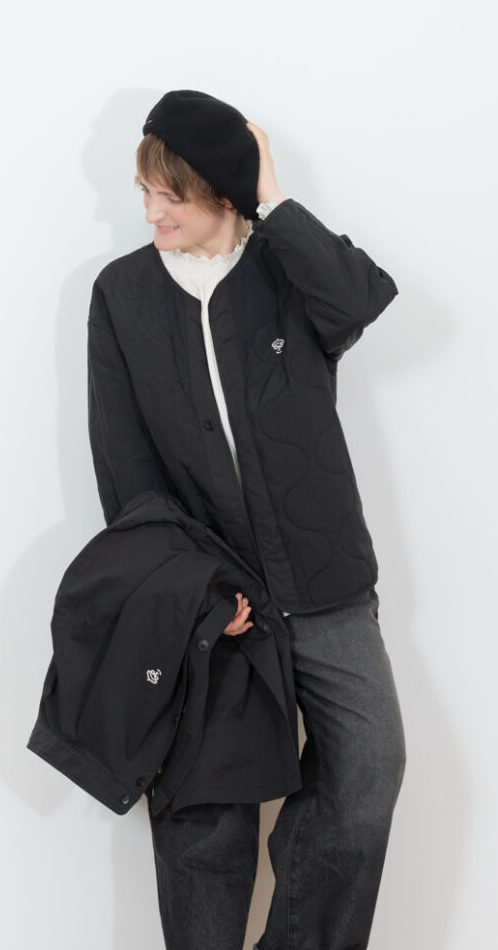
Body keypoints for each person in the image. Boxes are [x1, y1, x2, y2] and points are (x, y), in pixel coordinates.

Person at [86, 89, 406, 950]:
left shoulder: (284, 270)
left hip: (327, 583)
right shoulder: (122, 295)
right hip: (215, 598)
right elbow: (126, 468)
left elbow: (360, 301)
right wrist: (192, 595)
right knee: (205, 821)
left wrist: (270, 195)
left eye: (172, 196)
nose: (151, 212)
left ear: (222, 193)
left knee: (369, 770)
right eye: (145, 192)